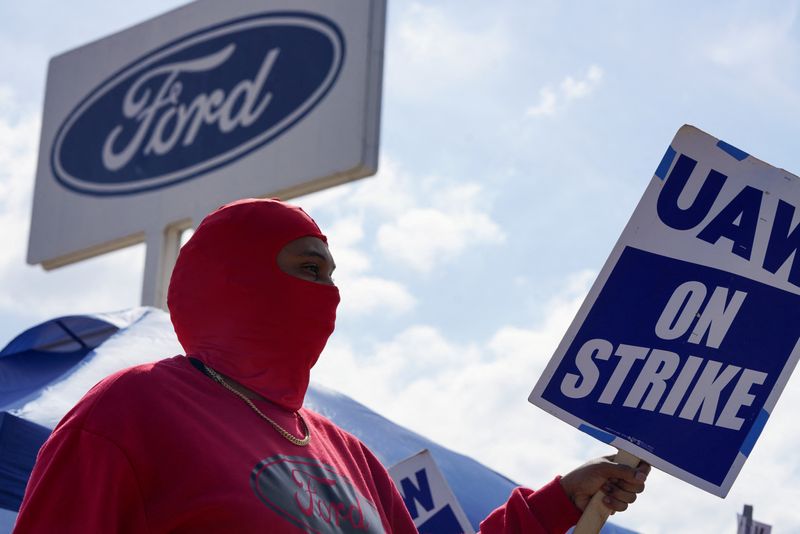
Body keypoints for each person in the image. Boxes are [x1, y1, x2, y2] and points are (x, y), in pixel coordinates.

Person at [14, 198, 649, 533]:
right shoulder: (131, 411)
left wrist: (560, 502)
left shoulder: (352, 457)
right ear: (232, 278)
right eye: (307, 269)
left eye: (332, 275)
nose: (329, 293)